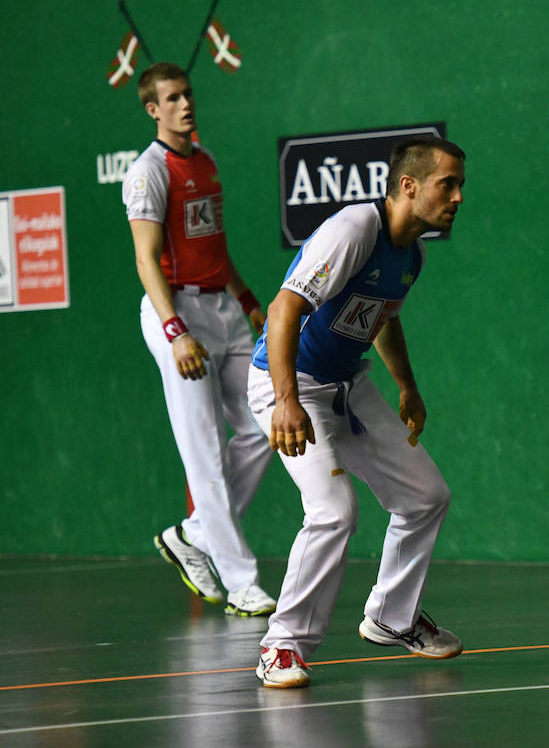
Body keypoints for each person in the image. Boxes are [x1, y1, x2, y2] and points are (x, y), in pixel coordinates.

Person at [249, 137, 466, 688]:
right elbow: (283, 308)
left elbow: (382, 319)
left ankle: (393, 617)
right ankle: (281, 646)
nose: (458, 197)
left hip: (347, 385)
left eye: (460, 186)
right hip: (289, 382)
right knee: (333, 510)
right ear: (408, 186)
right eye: (448, 184)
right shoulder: (355, 229)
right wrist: (286, 400)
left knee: (426, 496)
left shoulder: (412, 254)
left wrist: (407, 387)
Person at [123, 61, 277, 618]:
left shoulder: (205, 160)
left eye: (187, 94)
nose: (185, 104)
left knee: (265, 425)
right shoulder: (148, 172)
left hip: (224, 309)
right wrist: (176, 333)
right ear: (152, 109)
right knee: (204, 450)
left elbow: (213, 245)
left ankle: (193, 534)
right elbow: (146, 260)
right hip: (178, 313)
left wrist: (247, 298)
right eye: (172, 98)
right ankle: (241, 582)